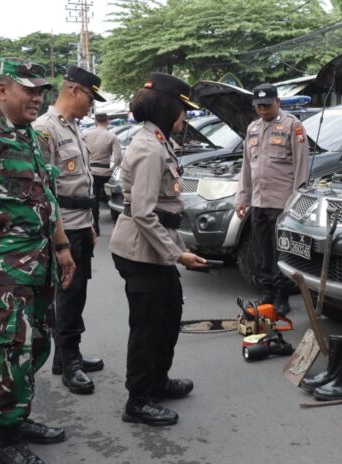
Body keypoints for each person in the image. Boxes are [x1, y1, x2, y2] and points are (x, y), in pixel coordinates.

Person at [0, 57, 76, 464]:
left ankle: (19, 418)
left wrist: (62, 247)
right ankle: (5, 443)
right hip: (4, 268)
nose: (36, 96)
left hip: (40, 262)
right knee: (12, 349)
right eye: (27, 88)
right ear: (2, 90)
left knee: (37, 343)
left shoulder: (37, 138)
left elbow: (48, 198)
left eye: (41, 89)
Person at [110, 72, 208, 426]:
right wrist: (177, 255)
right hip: (141, 251)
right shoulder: (149, 148)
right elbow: (143, 213)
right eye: (183, 110)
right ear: (169, 108)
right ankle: (138, 401)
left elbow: (167, 212)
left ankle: (157, 381)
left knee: (167, 317)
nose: (185, 117)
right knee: (148, 325)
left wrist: (177, 249)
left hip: (156, 247)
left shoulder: (159, 141)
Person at [34, 66, 106, 395]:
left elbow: (82, 184)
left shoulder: (74, 127)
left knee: (77, 293)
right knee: (67, 294)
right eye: (90, 97)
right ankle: (68, 359)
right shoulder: (46, 129)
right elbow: (45, 190)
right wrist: (58, 237)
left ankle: (67, 355)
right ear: (74, 90)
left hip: (81, 224)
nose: (92, 105)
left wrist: (91, 224)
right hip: (62, 229)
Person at [234, 83, 309, 315]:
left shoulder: (293, 126)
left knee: (281, 252)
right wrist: (241, 198)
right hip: (258, 202)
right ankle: (266, 293)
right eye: (258, 106)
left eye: (267, 105)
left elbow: (301, 168)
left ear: (278, 102)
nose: (262, 110)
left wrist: (295, 203)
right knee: (261, 251)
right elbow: (247, 167)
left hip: (282, 203)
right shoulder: (252, 128)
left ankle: (282, 296)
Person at [84, 112, 122, 235]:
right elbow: (118, 158)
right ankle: (116, 227)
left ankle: (95, 226)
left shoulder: (86, 135)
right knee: (113, 198)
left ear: (95, 121)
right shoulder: (112, 137)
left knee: (94, 198)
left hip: (91, 171)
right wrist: (112, 169)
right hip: (105, 172)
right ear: (107, 122)